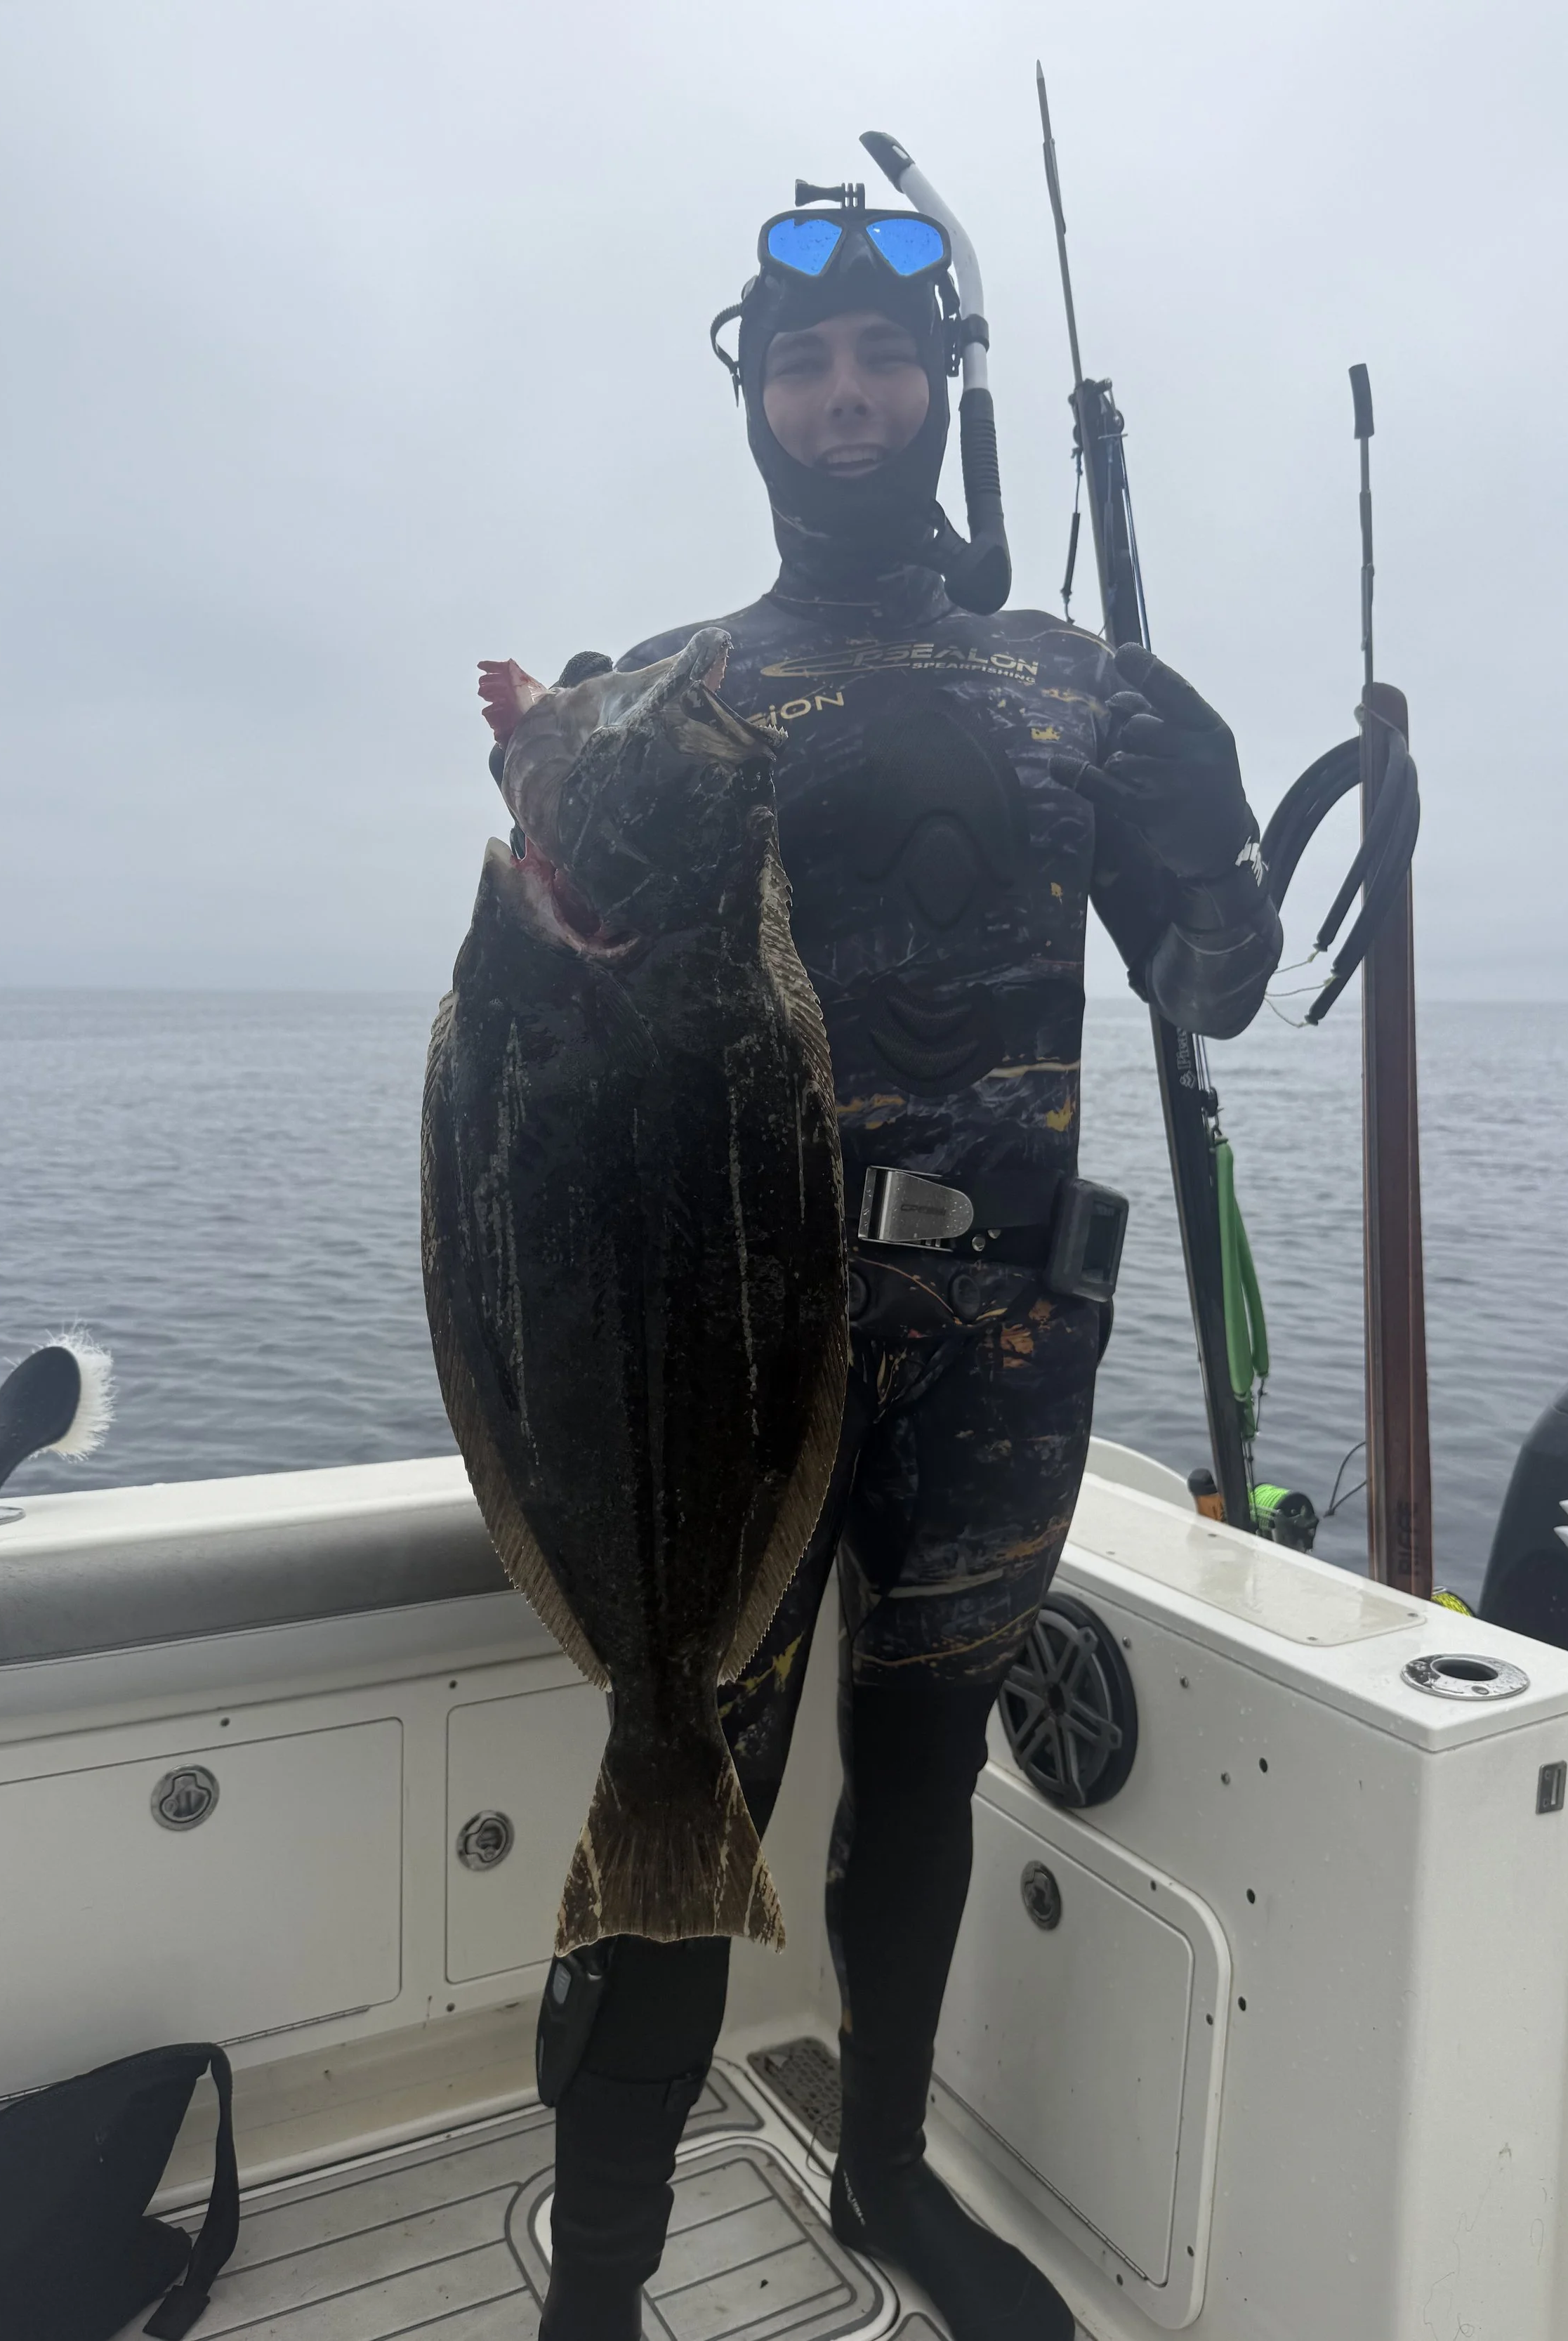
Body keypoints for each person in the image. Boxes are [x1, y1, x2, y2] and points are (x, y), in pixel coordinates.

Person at [530, 185, 1281, 2341]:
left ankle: (881, 2180)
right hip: (747, 1345)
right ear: (755, 399)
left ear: (941, 384)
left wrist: (1238, 825)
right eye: (800, 365)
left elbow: (1207, 991)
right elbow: (558, 1027)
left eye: (880, 360)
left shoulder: (1081, 693)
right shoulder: (680, 697)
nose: (842, 398)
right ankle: (598, 2290)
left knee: (928, 1767)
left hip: (1013, 1335)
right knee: (687, 1780)